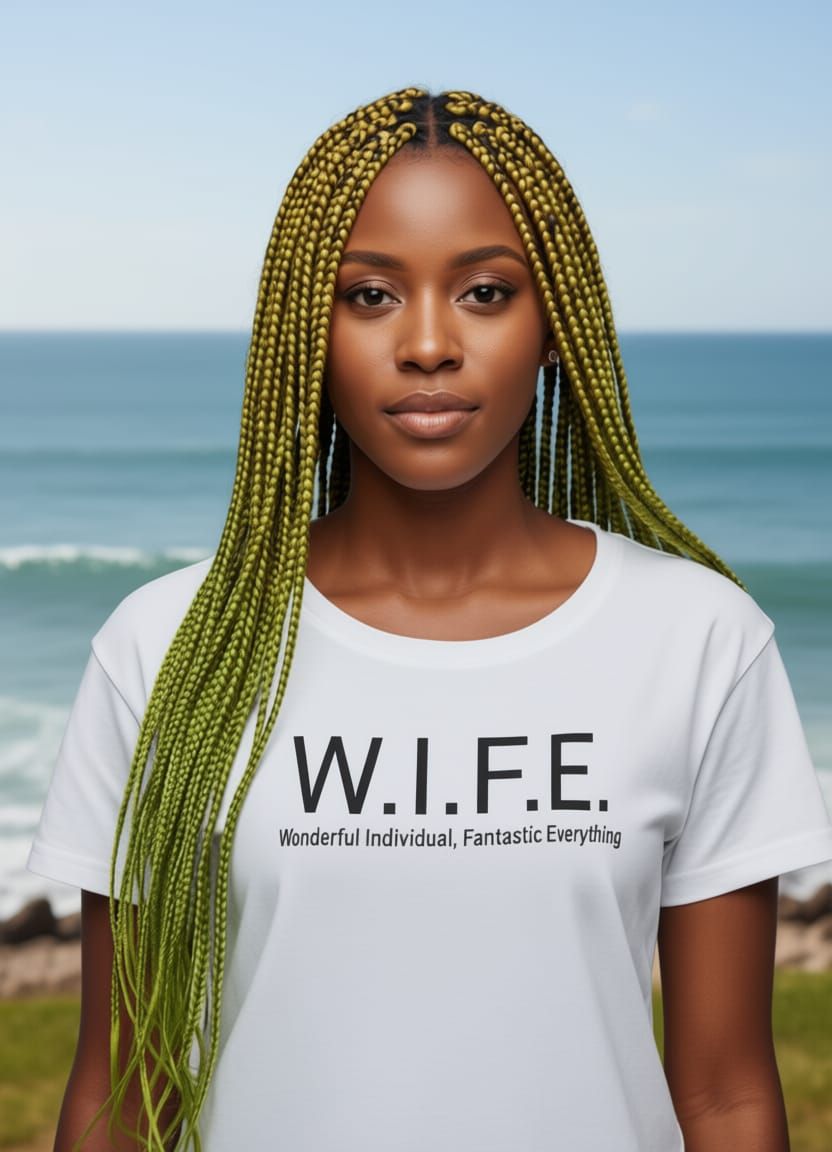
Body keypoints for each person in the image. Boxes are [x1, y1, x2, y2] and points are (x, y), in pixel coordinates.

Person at [28, 88, 832, 1152]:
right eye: (367, 296)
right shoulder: (173, 646)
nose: (427, 344)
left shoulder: (696, 639)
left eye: (486, 291)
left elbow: (726, 1094)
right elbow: (123, 1091)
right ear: (301, 335)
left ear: (558, 330)